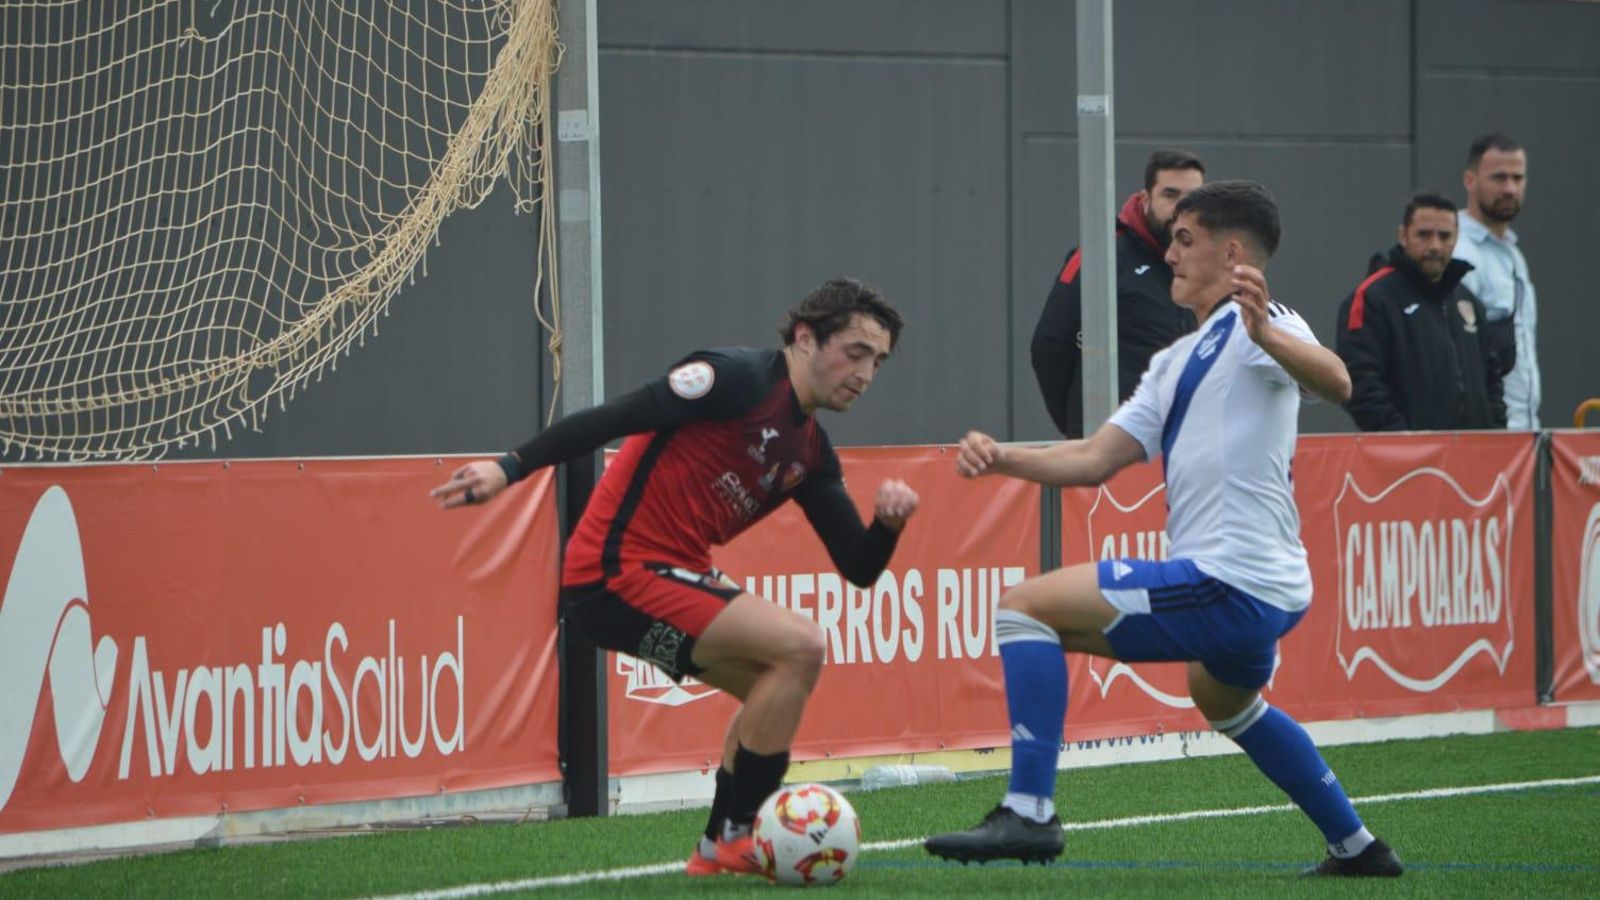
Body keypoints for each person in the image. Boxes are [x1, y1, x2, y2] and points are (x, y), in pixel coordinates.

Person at [926, 181, 1403, 877]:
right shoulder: (1175, 361)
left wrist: (1266, 330)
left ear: (1231, 251)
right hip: (1265, 590)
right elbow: (1094, 459)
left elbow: (1338, 382)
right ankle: (1358, 847)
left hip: (1229, 581)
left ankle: (1028, 812)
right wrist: (1003, 457)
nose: (1170, 253)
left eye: (1184, 239)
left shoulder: (1261, 323)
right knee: (1223, 700)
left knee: (1022, 608)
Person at [432, 279, 919, 877]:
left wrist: (888, 526)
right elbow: (611, 418)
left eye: (879, 361)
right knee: (802, 646)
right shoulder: (736, 379)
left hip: (666, 576)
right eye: (855, 352)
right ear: (804, 338)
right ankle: (745, 833)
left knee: (776, 680)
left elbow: (859, 566)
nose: (866, 373)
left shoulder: (812, 453)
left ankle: (717, 849)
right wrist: (510, 467)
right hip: (614, 571)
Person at [1030, 150, 1205, 437]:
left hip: (1186, 446)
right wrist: (1082, 431)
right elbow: (1049, 346)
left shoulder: (1209, 262)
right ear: (1146, 199)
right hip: (1116, 453)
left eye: (1191, 199)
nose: (1180, 209)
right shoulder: (1101, 255)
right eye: (1170, 195)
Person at [1335, 192, 1506, 431]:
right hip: (1408, 463)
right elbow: (1360, 385)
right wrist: (1405, 442)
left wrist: (1493, 434)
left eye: (1445, 236)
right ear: (1403, 236)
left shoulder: (1469, 302)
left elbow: (1493, 382)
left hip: (1475, 458)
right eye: (1424, 235)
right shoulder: (1372, 298)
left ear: (1456, 239)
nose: (1435, 245)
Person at [1453, 132, 1538, 429]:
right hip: (1490, 436)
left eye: (1518, 178)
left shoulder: (1512, 253)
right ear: (1470, 180)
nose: (1510, 189)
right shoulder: (1460, 252)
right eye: (1499, 178)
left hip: (1524, 430)